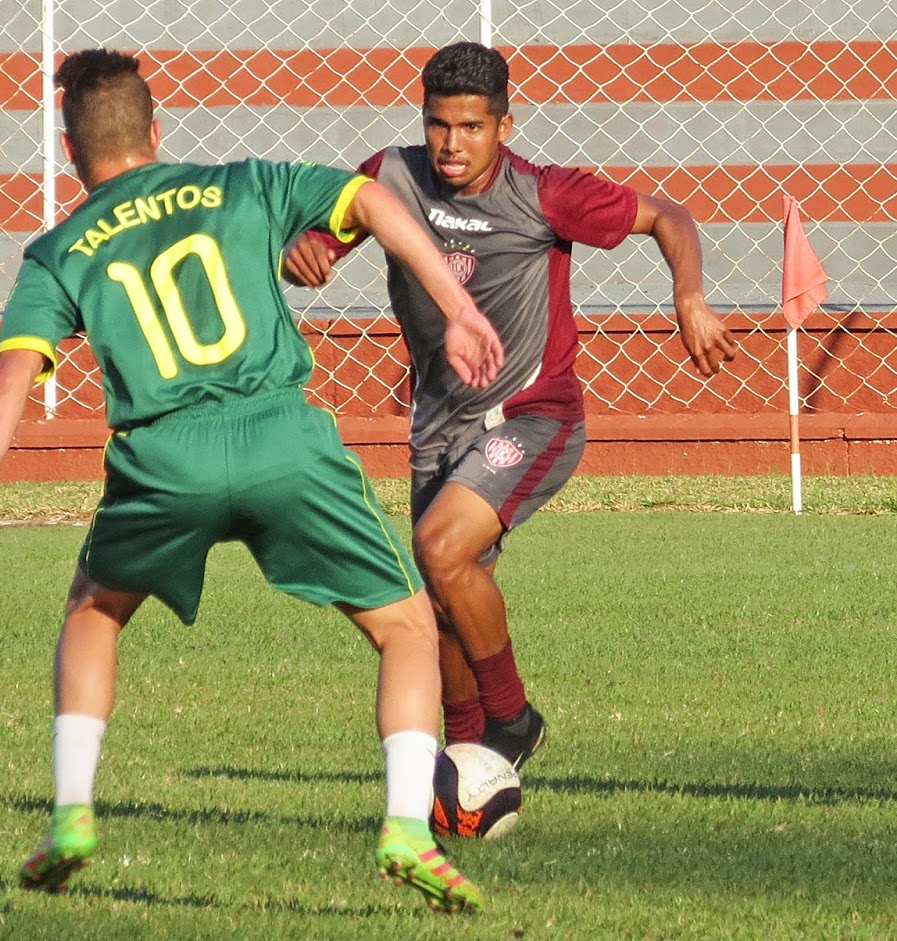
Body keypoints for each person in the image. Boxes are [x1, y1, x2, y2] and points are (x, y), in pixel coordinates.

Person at [0, 49, 504, 912]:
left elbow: (12, 376)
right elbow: (375, 200)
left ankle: (74, 814)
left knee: (94, 609)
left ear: (72, 150)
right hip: (282, 440)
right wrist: (459, 309)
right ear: (157, 131)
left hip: (163, 457)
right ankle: (406, 829)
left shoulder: (58, 249)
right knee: (407, 628)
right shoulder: (246, 183)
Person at [283, 41, 738, 770]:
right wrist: (304, 252)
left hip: (534, 414)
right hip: (440, 422)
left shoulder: (544, 193)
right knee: (444, 600)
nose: (452, 145)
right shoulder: (390, 176)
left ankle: (513, 718)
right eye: (438, 125)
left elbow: (669, 217)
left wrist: (689, 296)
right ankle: (469, 765)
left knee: (440, 548)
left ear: (504, 125)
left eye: (471, 127)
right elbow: (317, 242)